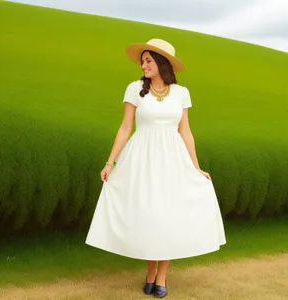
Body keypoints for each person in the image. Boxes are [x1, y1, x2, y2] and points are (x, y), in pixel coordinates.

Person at [85, 38, 226, 298]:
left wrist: (196, 167)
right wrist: (109, 162)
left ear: (162, 63)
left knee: (169, 216)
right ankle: (150, 273)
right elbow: (125, 127)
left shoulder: (181, 93)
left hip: (173, 159)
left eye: (149, 60)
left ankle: (161, 277)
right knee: (148, 215)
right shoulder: (134, 88)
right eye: (143, 60)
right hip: (141, 158)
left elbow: (185, 131)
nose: (144, 64)